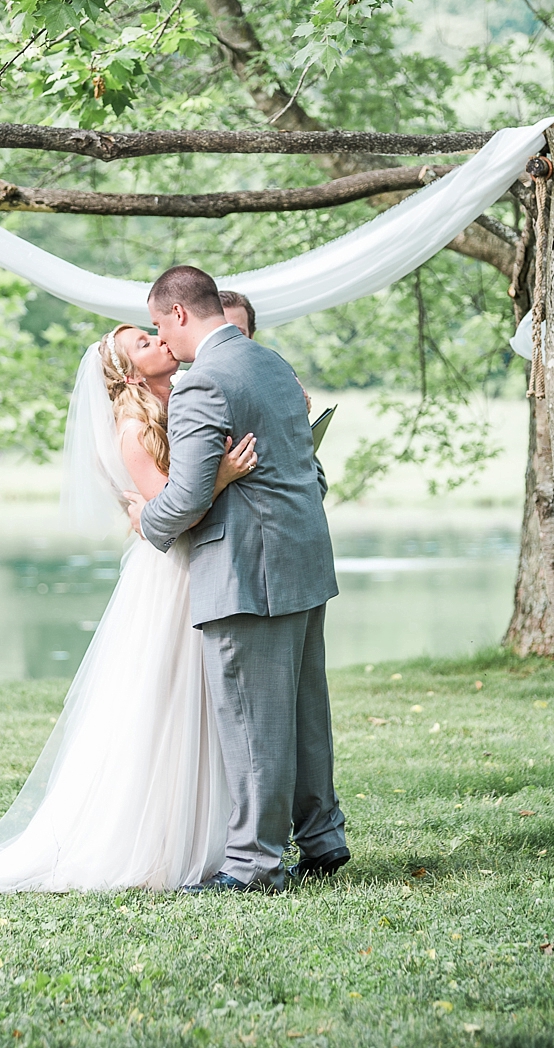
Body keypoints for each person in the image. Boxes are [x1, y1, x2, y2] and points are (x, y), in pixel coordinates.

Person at [0, 324, 257, 893]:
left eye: (154, 333)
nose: (160, 340)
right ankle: (160, 844)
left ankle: (222, 839)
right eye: (144, 343)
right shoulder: (134, 430)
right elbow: (174, 509)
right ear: (130, 374)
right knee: (168, 702)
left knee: (208, 703)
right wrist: (222, 476)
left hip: (206, 564)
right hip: (171, 578)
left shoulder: (189, 394)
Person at [126, 266, 348, 893]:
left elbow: (191, 495)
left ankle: (254, 866)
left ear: (175, 315)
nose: (160, 338)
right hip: (303, 558)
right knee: (304, 712)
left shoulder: (203, 386)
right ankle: (323, 838)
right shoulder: (273, 364)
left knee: (252, 719)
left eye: (156, 324)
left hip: (248, 569)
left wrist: (148, 522)